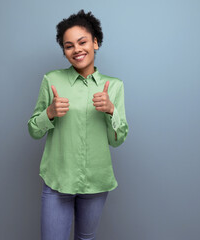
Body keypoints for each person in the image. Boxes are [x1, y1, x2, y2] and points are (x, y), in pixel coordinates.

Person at [27, 9, 128, 240]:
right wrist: (50, 113)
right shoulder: (51, 80)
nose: (76, 50)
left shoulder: (114, 86)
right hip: (57, 180)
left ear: (95, 43)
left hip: (96, 182)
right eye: (68, 45)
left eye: (82, 42)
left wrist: (111, 110)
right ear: (64, 51)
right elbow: (33, 130)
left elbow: (117, 140)